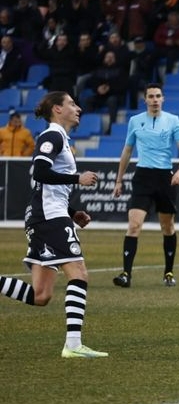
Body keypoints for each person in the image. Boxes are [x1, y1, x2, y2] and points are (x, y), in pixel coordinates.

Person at [0, 91, 107, 358]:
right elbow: (40, 172)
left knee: (41, 295)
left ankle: (73, 345)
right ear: (57, 109)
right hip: (48, 217)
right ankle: (73, 345)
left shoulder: (60, 138)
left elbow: (43, 184)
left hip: (46, 215)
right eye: (72, 104)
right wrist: (76, 179)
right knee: (79, 274)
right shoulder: (53, 136)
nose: (78, 108)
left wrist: (71, 212)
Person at [111, 83, 179, 288]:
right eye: (151, 96)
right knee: (134, 225)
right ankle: (126, 274)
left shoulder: (174, 121)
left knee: (167, 226)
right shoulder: (135, 121)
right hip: (143, 177)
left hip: (165, 178)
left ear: (163, 99)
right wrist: (119, 180)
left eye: (158, 96)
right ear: (144, 100)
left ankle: (169, 272)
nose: (155, 100)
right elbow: (127, 152)